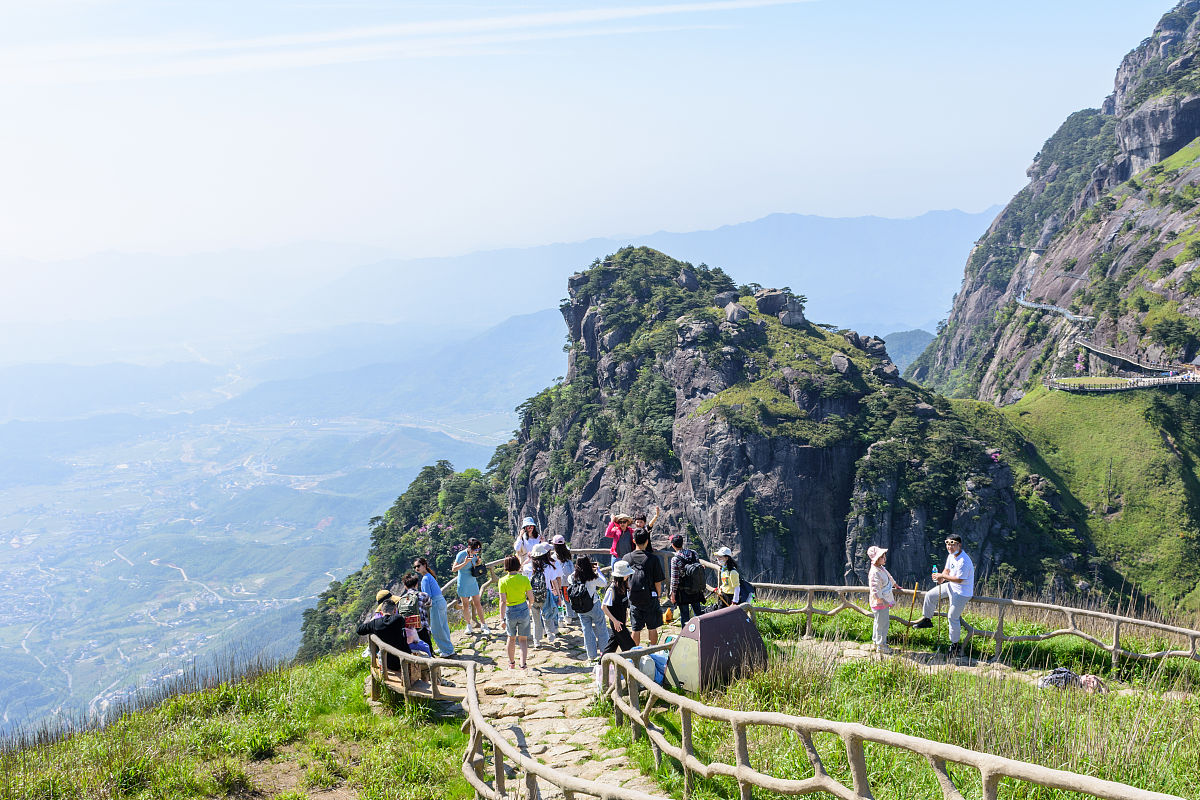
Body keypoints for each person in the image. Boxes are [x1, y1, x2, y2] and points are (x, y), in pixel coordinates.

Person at [913, 533, 975, 658]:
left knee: (952, 616)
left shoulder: (964, 560)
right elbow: (947, 571)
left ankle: (955, 645)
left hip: (962, 592)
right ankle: (927, 619)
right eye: (947, 543)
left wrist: (942, 576)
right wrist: (940, 579)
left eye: (952, 544)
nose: (949, 547)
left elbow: (959, 579)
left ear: (959, 545)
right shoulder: (951, 556)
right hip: (951, 586)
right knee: (930, 595)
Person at [566, 554, 609, 661]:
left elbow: (569, 579)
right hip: (594, 605)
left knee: (587, 630)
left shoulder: (572, 577)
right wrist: (598, 571)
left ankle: (591, 655)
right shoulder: (591, 577)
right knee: (601, 629)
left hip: (580, 607)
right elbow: (604, 583)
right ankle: (605, 653)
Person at [626, 530, 665, 645]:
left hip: (634, 598)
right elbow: (658, 582)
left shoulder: (627, 558)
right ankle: (653, 651)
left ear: (633, 541)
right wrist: (658, 596)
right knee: (652, 628)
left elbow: (624, 580)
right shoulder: (653, 559)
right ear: (647, 542)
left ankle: (634, 654)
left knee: (635, 629)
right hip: (650, 597)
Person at [498, 554, 534, 669]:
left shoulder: (502, 581)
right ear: (518, 565)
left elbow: (503, 602)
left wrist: (501, 619)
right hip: (523, 609)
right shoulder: (524, 579)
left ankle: (511, 663)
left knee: (511, 637)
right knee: (523, 639)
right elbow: (531, 598)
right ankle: (523, 664)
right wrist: (528, 606)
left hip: (510, 611)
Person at [413, 557, 455, 657]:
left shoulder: (425, 579)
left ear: (424, 565)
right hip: (441, 601)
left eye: (418, 566)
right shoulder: (429, 576)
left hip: (435, 603)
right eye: (415, 567)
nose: (417, 569)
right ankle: (444, 648)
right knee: (443, 626)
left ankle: (448, 650)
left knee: (437, 629)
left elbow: (427, 596)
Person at [451, 538, 491, 636]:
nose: (477, 551)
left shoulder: (476, 554)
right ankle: (468, 625)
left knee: (477, 603)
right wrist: (464, 562)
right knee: (465, 604)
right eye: (475, 549)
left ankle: (484, 625)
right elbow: (454, 569)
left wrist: (477, 562)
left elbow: (475, 565)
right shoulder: (461, 554)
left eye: (478, 549)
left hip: (472, 581)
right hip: (463, 581)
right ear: (469, 547)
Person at [523, 542, 560, 647]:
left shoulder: (528, 568)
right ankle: (550, 636)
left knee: (536, 620)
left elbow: (522, 570)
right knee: (547, 616)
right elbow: (554, 581)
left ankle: (537, 641)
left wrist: (529, 559)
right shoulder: (549, 567)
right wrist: (558, 594)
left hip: (532, 596)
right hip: (546, 595)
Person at [668, 534, 706, 624]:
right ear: (682, 543)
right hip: (695, 588)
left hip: (683, 591)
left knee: (685, 616)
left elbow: (674, 579)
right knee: (698, 613)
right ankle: (701, 633)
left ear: (673, 545)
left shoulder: (675, 559)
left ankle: (686, 635)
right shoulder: (693, 553)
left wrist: (673, 594)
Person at [601, 560, 637, 654]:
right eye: (627, 574)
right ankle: (633, 665)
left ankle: (601, 665)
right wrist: (615, 621)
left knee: (612, 645)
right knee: (630, 647)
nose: (629, 576)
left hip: (621, 621)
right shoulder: (611, 589)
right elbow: (604, 607)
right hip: (616, 622)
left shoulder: (624, 586)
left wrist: (625, 617)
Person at [867, 545, 896, 654]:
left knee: (878, 622)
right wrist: (882, 600)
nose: (885, 558)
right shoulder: (875, 572)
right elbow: (874, 589)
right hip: (880, 603)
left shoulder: (881, 568)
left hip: (882, 601)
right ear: (877, 558)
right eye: (882, 556)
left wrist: (895, 584)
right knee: (882, 624)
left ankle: (876, 641)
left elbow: (889, 577)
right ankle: (881, 645)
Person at [394, 573, 434, 653]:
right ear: (416, 584)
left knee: (413, 651)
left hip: (409, 630)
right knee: (428, 650)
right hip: (422, 627)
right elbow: (429, 604)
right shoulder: (423, 595)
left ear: (405, 586)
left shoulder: (401, 599)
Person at [550, 534, 573, 624]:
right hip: (568, 581)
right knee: (567, 599)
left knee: (558, 600)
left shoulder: (554, 557)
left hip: (558, 582)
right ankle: (569, 616)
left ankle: (560, 618)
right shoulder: (567, 554)